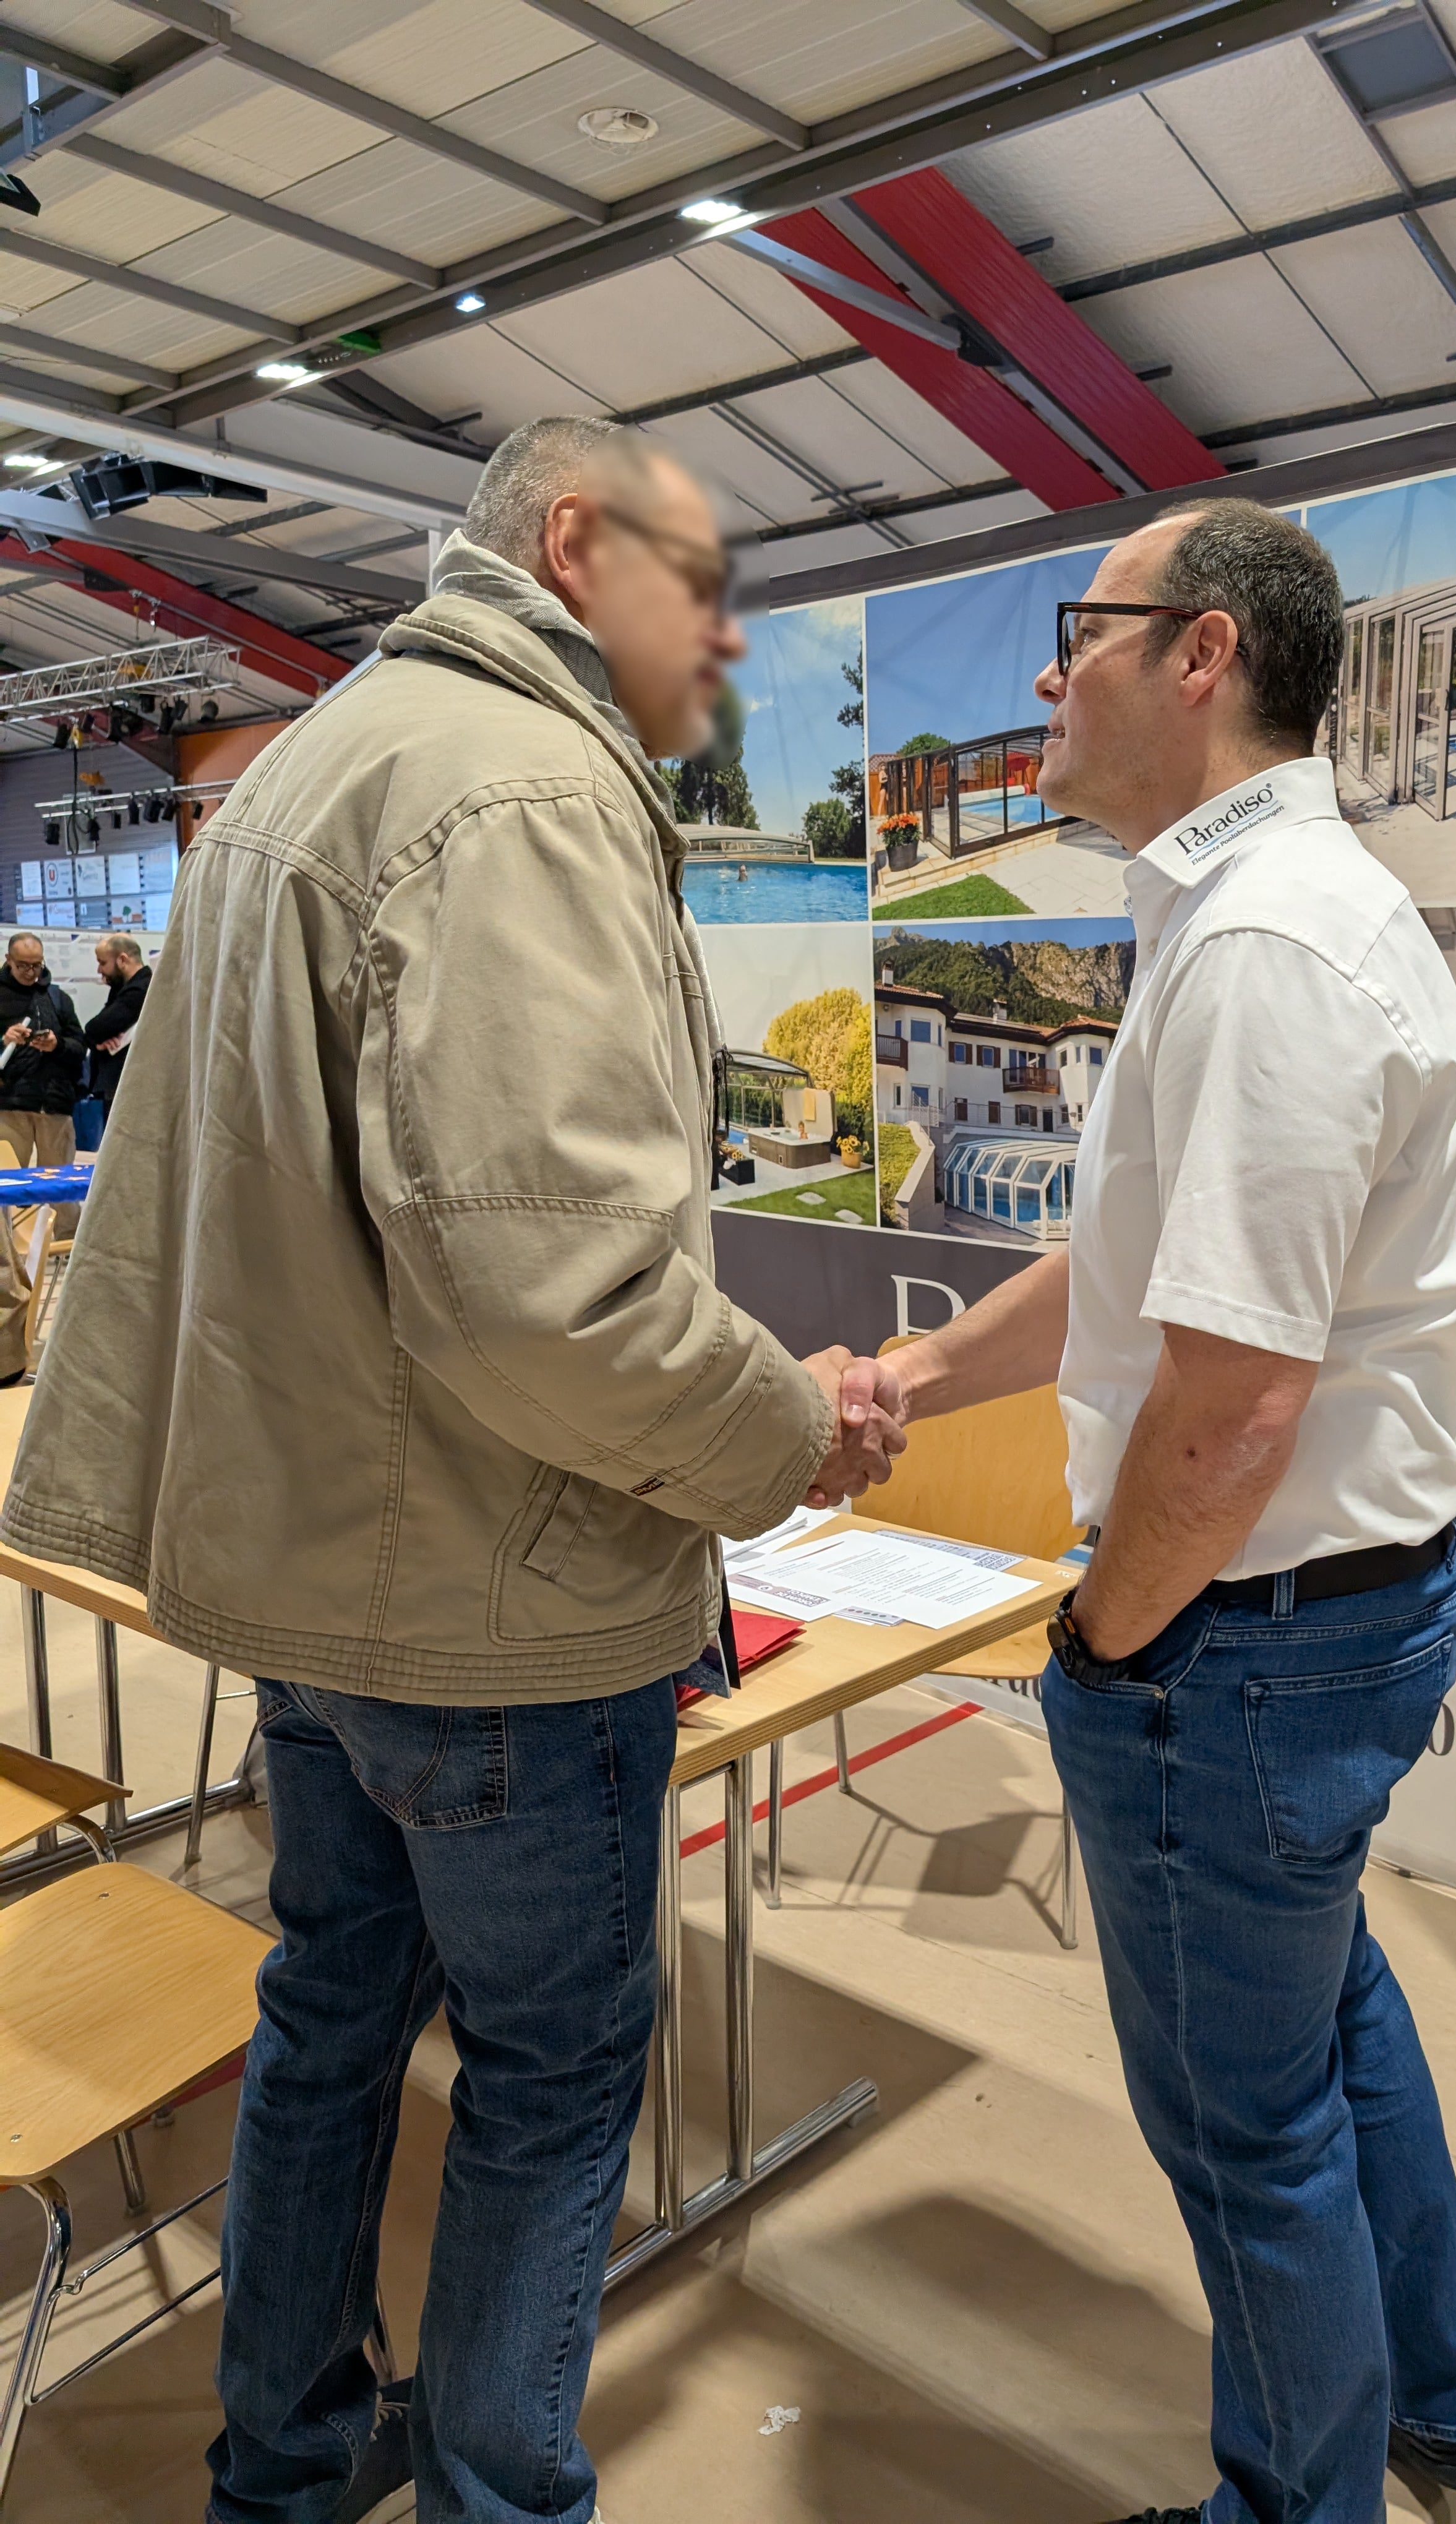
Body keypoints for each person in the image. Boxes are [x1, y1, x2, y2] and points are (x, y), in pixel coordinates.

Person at [0, 415, 906, 2524]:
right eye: (703, 590)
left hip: (324, 1575)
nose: (727, 650)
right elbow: (553, 1296)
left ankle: (287, 2469)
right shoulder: (516, 791)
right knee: (557, 2067)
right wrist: (787, 1435)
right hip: (493, 1601)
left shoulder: (311, 765)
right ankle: (505, 2490)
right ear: (571, 545)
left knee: (330, 2018)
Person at [837, 500, 1456, 2524]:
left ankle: (1288, 2505)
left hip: (1247, 1648)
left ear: (1201, 653)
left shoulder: (1265, 950)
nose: (1049, 675)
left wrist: (1111, 1637)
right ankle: (1438, 2404)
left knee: (1242, 2126)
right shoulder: (1230, 915)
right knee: (1324, 2024)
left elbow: (1226, 1409)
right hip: (1320, 1623)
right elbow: (1145, 1263)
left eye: (1085, 631)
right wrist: (907, 1378)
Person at [0, 930, 85, 1169]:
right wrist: (4, 1040)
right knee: (8, 1190)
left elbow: (80, 1047)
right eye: (23, 966)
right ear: (9, 960)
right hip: (10, 1105)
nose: (30, 973)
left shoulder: (57, 997)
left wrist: (57, 1045)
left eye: (37, 966)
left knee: (62, 1190)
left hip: (54, 1104)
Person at [83, 932, 152, 1122]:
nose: (99, 970)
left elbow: (95, 1029)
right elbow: (95, 1034)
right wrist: (98, 1045)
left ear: (122, 960)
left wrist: (97, 1038)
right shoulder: (122, 989)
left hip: (131, 1087)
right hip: (121, 1085)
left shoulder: (141, 990)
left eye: (103, 963)